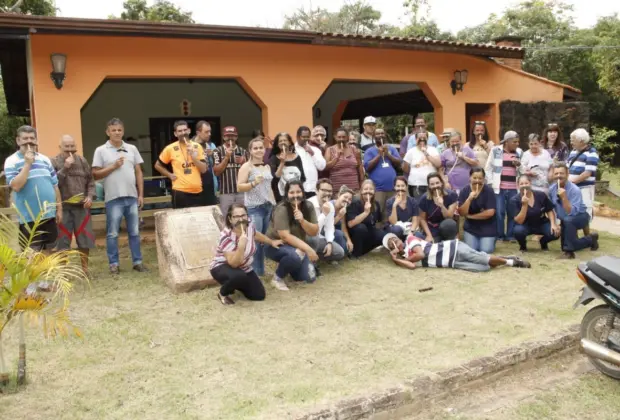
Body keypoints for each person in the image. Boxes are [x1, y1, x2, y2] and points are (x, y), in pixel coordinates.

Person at [92, 118, 146, 274]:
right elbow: (95, 174)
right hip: (113, 198)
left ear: (123, 131)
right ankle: (114, 264)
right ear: (107, 132)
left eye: (119, 130)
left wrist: (140, 194)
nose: (117, 132)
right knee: (113, 233)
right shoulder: (101, 150)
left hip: (131, 197)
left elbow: (138, 172)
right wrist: (113, 166)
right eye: (113, 130)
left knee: (135, 232)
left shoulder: (132, 148)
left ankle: (137, 262)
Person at [209, 204, 283, 305]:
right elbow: (233, 263)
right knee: (239, 276)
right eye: (237, 217)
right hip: (222, 266)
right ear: (230, 219)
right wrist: (241, 247)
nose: (241, 219)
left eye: (243, 215)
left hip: (244, 267)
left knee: (259, 295)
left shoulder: (249, 227)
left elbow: (256, 234)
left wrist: (271, 242)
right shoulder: (226, 236)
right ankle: (223, 294)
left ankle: (237, 283)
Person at [5, 126, 62, 254]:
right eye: (25, 138)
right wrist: (27, 164)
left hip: (49, 215)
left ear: (36, 140)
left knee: (50, 252)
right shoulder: (11, 161)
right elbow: (16, 186)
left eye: (32, 138)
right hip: (29, 218)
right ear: (18, 141)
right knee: (31, 255)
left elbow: (55, 185)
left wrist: (59, 209)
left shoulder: (45, 159)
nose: (29, 141)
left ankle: (48, 275)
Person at [52, 134, 96, 276]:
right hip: (63, 208)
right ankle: (64, 272)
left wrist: (89, 196)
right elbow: (53, 184)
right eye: (67, 147)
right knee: (63, 241)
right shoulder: (54, 162)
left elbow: (90, 182)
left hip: (81, 208)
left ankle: (85, 270)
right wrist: (65, 168)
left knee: (85, 240)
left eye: (72, 147)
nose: (70, 150)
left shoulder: (82, 161)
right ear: (60, 147)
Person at [265, 180, 319, 290]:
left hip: (296, 245)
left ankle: (290, 266)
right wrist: (308, 250)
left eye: (298, 192)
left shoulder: (308, 206)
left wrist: (303, 221)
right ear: (286, 194)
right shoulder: (282, 209)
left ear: (303, 193)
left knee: (309, 278)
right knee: (294, 256)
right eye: (292, 192)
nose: (295, 195)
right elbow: (285, 236)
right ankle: (277, 278)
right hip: (274, 245)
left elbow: (314, 232)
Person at [383, 232, 531, 272]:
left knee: (483, 260)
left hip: (453, 248)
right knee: (484, 267)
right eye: (391, 245)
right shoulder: (406, 258)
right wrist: (396, 259)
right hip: (452, 263)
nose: (395, 244)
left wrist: (402, 258)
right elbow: (412, 266)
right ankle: (505, 258)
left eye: (395, 240)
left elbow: (420, 255)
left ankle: (512, 262)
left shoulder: (410, 240)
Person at [236, 137, 275, 277]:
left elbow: (269, 187)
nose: (259, 150)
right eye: (255, 148)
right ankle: (254, 272)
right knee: (255, 241)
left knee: (263, 240)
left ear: (264, 150)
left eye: (261, 148)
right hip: (254, 208)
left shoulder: (267, 166)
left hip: (267, 206)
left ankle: (260, 270)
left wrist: (274, 203)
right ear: (250, 151)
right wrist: (253, 183)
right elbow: (239, 187)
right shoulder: (247, 167)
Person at [549, 163, 599, 259]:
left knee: (568, 221)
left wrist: (564, 197)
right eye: (556, 174)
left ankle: (569, 253)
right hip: (566, 220)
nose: (559, 176)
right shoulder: (552, 189)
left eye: (561, 173)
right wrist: (555, 224)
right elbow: (550, 208)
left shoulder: (574, 190)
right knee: (567, 244)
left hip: (580, 217)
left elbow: (571, 213)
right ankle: (591, 239)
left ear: (567, 174)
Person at [154, 120, 208, 209]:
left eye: (185, 130)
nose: (183, 133)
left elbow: (204, 169)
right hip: (180, 192)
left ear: (189, 131)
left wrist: (193, 157)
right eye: (180, 131)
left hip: (197, 191)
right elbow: (157, 165)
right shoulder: (170, 148)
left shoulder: (197, 146)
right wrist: (169, 175)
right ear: (175, 134)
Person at [484, 130, 522, 242]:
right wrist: (491, 182)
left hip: (514, 187)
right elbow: (488, 168)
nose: (517, 144)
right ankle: (500, 235)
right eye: (514, 142)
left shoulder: (519, 152)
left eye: (518, 142)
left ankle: (510, 235)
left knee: (512, 211)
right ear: (507, 142)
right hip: (499, 187)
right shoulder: (496, 150)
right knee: (500, 212)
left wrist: (519, 165)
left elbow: (524, 170)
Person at [511, 175, 560, 252]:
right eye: (521, 184)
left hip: (541, 223)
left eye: (526, 183)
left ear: (530, 183)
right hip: (525, 225)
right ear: (518, 186)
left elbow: (549, 210)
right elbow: (519, 221)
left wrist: (553, 224)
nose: (524, 186)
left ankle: (543, 242)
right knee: (518, 231)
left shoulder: (540, 195)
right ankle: (523, 246)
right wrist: (524, 205)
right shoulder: (514, 200)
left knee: (555, 232)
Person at [363, 128, 401, 217]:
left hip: (392, 188)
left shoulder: (391, 148)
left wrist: (388, 154)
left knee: (391, 213)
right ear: (374, 137)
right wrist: (379, 155)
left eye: (382, 133)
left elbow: (399, 162)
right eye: (378, 134)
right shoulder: (369, 151)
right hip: (378, 189)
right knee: (378, 213)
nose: (380, 135)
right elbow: (367, 167)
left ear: (385, 135)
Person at [307, 179, 346, 265]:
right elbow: (312, 230)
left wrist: (329, 242)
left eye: (329, 191)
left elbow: (329, 227)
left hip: (318, 237)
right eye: (324, 190)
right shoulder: (309, 204)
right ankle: (308, 262)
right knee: (313, 239)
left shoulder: (330, 206)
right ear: (316, 191)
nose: (327, 193)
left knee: (340, 253)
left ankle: (313, 257)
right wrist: (324, 214)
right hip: (305, 238)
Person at [459, 167, 497, 253]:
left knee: (486, 250)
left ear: (484, 179)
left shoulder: (489, 191)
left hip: (487, 226)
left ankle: (492, 239)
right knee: (471, 250)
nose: (477, 180)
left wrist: (471, 216)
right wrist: (469, 199)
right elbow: (461, 213)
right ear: (470, 177)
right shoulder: (464, 191)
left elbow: (490, 213)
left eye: (480, 178)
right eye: (474, 178)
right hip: (471, 228)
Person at [345, 179, 386, 258]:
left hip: (368, 231)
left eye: (371, 189)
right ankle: (355, 253)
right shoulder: (355, 202)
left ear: (374, 191)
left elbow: (377, 222)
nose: (368, 191)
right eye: (365, 189)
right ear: (361, 191)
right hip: (355, 232)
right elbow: (350, 224)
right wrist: (365, 213)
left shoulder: (376, 204)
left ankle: (364, 251)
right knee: (361, 228)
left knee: (381, 235)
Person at [213, 126, 248, 216]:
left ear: (236, 137)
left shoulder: (243, 151)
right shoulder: (217, 151)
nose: (230, 138)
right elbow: (216, 172)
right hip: (226, 192)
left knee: (242, 216)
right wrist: (227, 157)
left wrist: (243, 163)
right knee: (226, 218)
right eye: (227, 136)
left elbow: (250, 172)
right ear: (223, 137)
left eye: (232, 136)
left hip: (242, 191)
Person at [567, 128, 599, 222]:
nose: (571, 142)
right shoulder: (573, 152)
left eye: (573, 140)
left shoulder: (592, 153)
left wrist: (571, 182)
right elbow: (567, 167)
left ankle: (587, 235)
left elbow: (587, 174)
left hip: (584, 188)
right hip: (572, 188)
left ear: (581, 141)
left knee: (585, 211)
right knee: (572, 211)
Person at [418, 172, 459, 242]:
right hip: (432, 227)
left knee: (449, 225)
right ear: (429, 186)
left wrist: (442, 206)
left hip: (447, 225)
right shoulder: (424, 199)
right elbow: (422, 219)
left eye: (437, 183)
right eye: (432, 184)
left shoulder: (451, 195)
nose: (435, 186)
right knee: (434, 244)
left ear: (441, 183)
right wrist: (429, 235)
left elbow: (449, 217)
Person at [403, 130, 441, 198]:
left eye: (424, 137)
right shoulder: (411, 151)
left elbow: (438, 164)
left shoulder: (433, 150)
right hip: (416, 185)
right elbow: (405, 168)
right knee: (418, 206)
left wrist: (426, 153)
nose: (422, 139)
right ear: (416, 139)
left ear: (427, 138)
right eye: (419, 138)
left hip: (432, 185)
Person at [269, 132, 306, 202]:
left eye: (285, 140)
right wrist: (282, 162)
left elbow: (303, 177)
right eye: (280, 141)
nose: (283, 142)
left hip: (296, 195)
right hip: (281, 196)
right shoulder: (274, 158)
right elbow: (274, 180)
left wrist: (297, 190)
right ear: (277, 144)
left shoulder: (297, 157)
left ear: (289, 143)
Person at [325, 127, 364, 193]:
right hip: (337, 189)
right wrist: (337, 157)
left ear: (347, 137)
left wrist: (362, 183)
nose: (341, 139)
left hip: (354, 188)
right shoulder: (330, 150)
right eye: (339, 137)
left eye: (343, 137)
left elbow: (360, 166)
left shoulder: (354, 149)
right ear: (335, 137)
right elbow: (326, 166)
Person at [295, 126, 326, 199]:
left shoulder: (315, 150)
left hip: (312, 188)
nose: (306, 139)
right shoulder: (292, 149)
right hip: (297, 188)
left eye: (307, 137)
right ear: (297, 137)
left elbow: (322, 167)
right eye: (303, 137)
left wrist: (312, 153)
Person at [384, 176, 419, 240]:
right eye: (398, 186)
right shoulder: (389, 202)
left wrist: (411, 233)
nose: (400, 188)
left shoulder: (413, 201)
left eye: (403, 186)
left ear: (406, 186)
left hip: (408, 227)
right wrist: (395, 205)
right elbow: (393, 222)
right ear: (394, 187)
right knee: (397, 230)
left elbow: (415, 220)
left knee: (418, 235)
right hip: (394, 229)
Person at [194, 120, 218, 205]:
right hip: (195, 184)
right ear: (198, 133)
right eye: (206, 132)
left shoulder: (212, 146)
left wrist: (212, 155)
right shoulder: (190, 145)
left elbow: (217, 165)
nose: (209, 134)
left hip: (210, 184)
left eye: (210, 131)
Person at [331, 185, 355, 256]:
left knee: (346, 250)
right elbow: (325, 227)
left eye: (350, 199)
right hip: (327, 233)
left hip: (337, 232)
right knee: (339, 234)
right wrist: (339, 216)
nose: (347, 200)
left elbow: (343, 227)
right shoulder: (330, 205)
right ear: (339, 195)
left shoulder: (343, 209)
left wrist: (348, 240)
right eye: (345, 197)